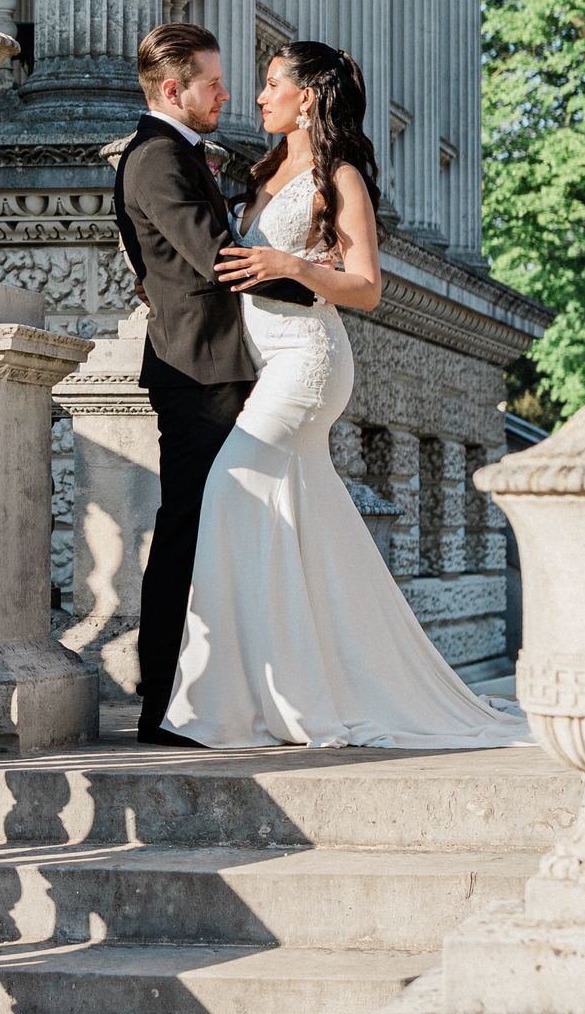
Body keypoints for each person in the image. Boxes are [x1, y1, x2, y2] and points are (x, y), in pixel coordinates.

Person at [163, 40, 524, 751]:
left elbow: (366, 287)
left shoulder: (341, 175)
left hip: (309, 358)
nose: (258, 96)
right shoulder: (264, 170)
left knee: (232, 493)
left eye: (271, 84)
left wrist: (290, 263)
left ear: (307, 97)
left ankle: (250, 700)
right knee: (303, 525)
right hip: (267, 361)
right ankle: (292, 692)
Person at [112, 22, 313, 748]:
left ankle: (214, 692)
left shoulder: (180, 152)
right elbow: (216, 259)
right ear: (174, 90)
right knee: (186, 536)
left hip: (216, 365)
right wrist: (315, 290)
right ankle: (164, 704)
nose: (226, 93)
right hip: (199, 372)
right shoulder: (156, 158)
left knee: (212, 534)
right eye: (213, 82)